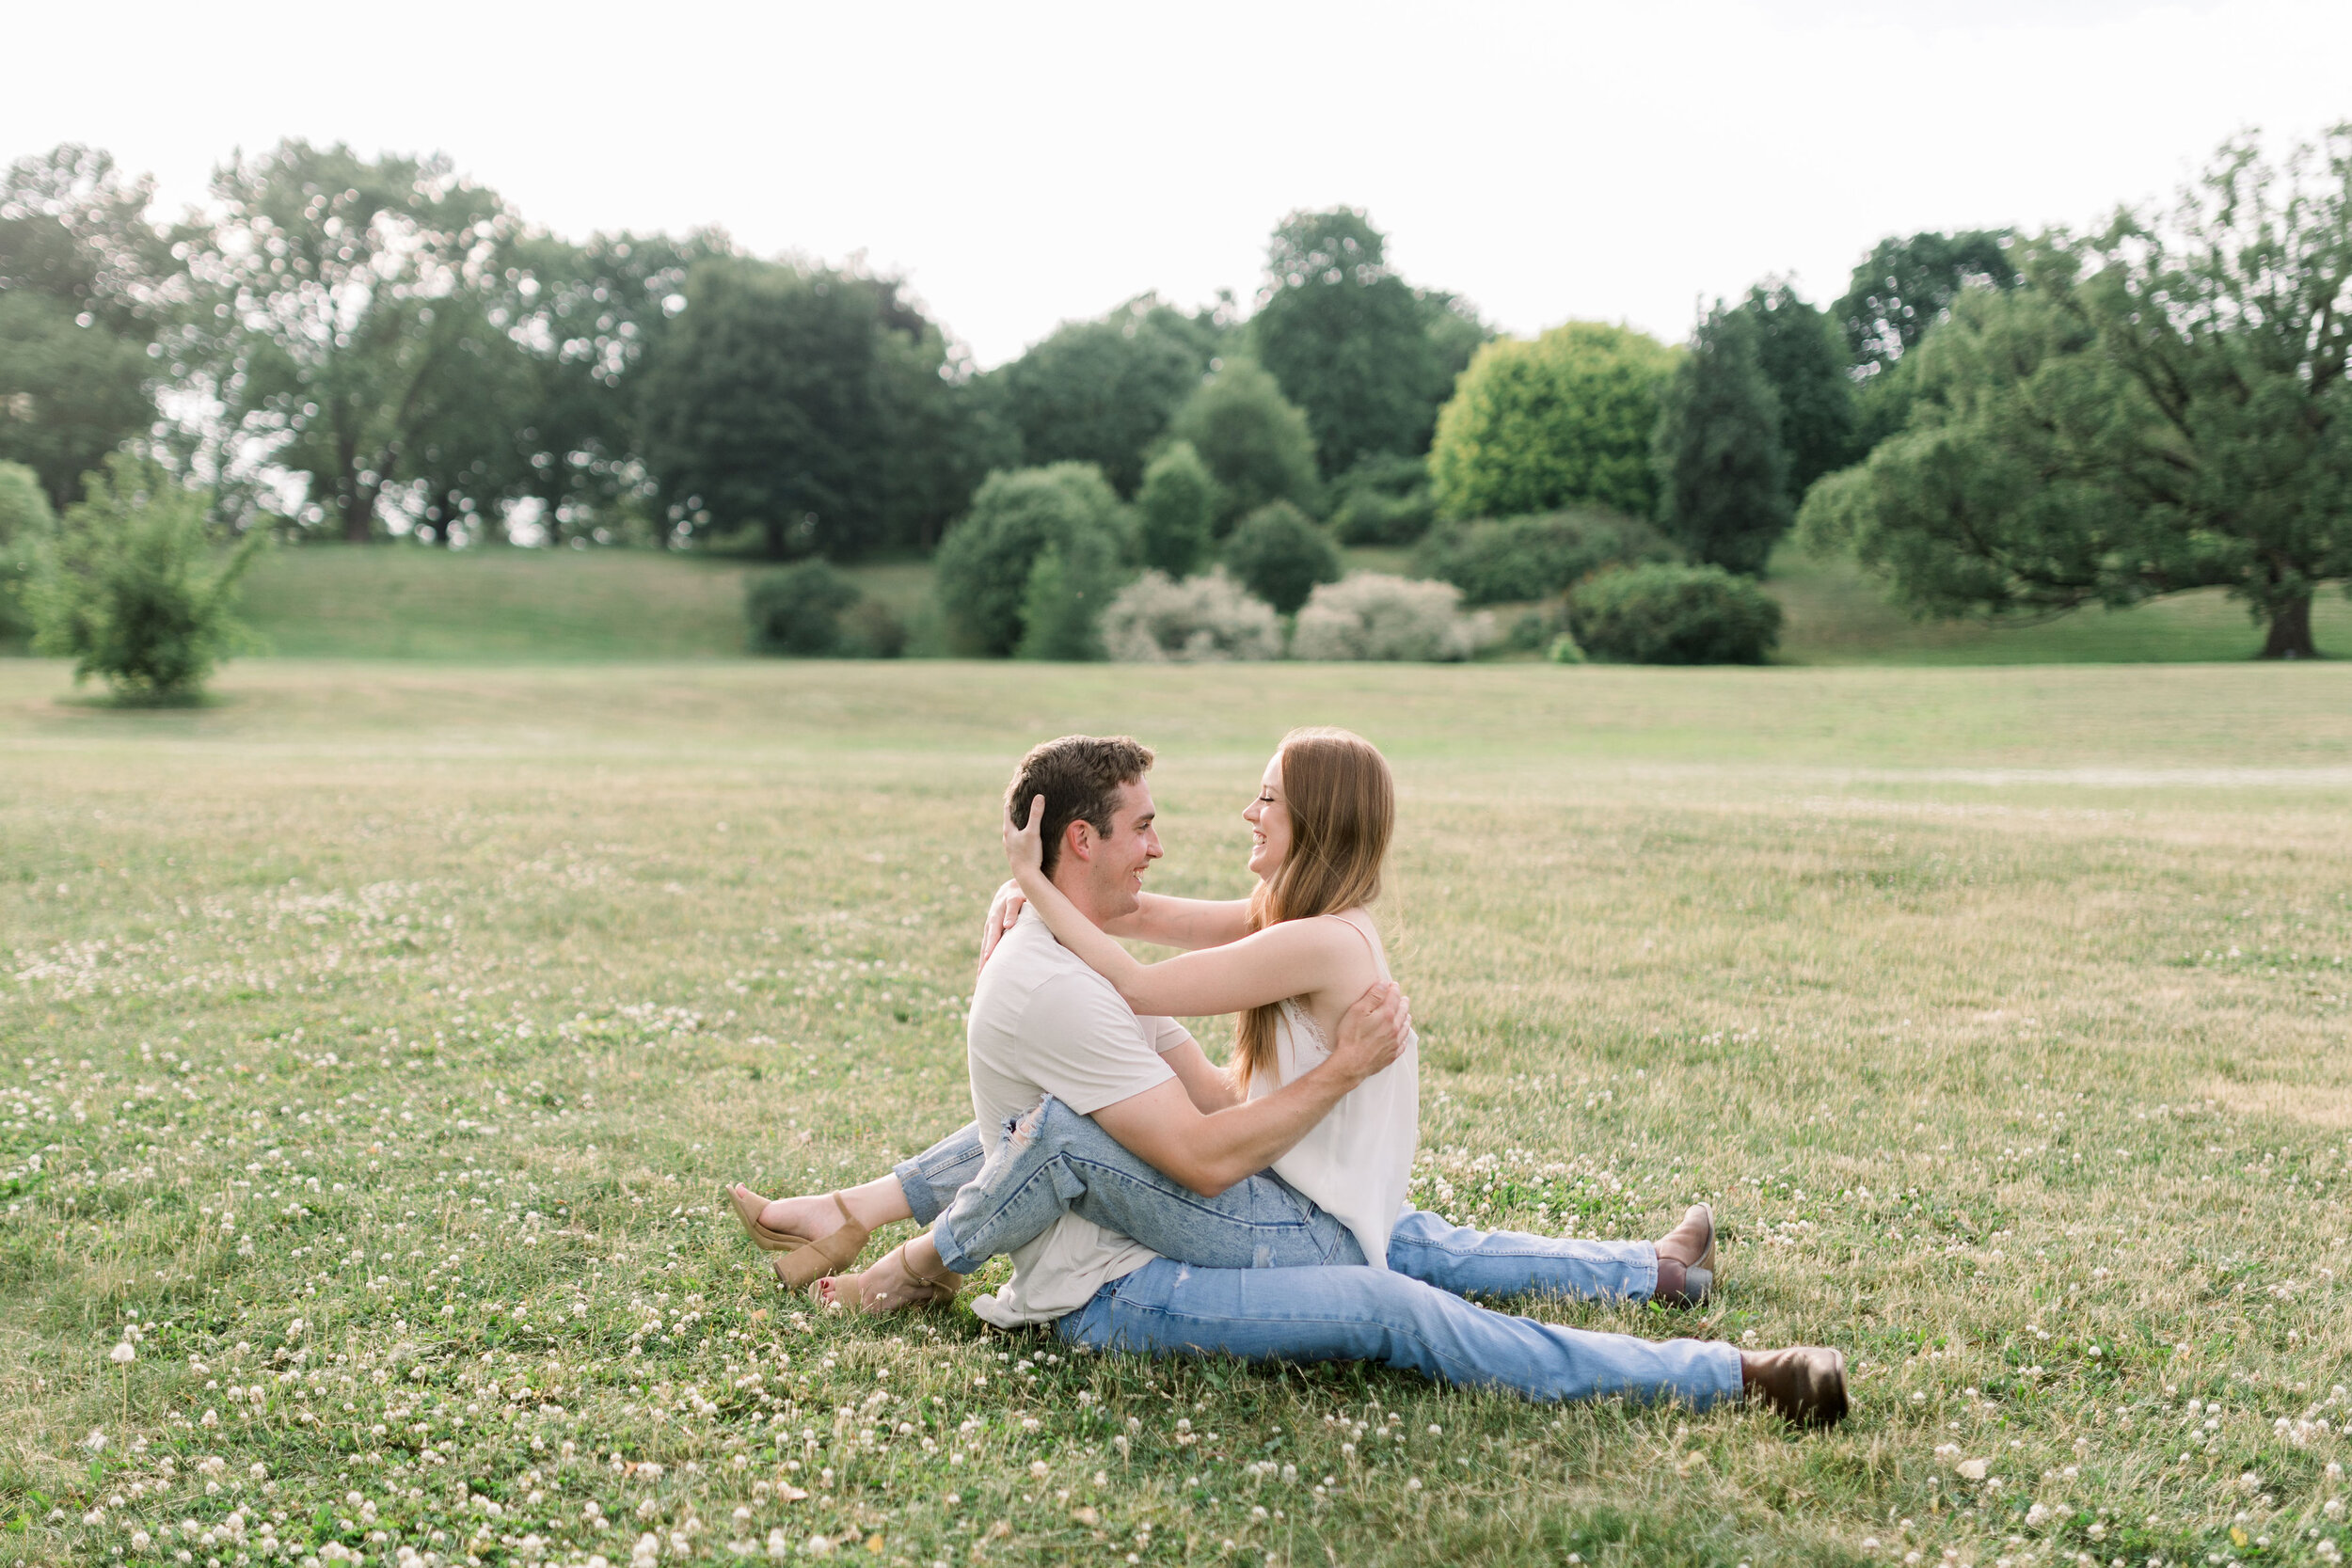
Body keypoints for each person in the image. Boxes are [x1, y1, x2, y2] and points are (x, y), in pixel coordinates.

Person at [731, 734, 1847, 1423]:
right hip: (1294, 1191)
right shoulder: (1295, 917)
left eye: (1265, 797)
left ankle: (1717, 1367)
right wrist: (1041, 896)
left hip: (1293, 1204)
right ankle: (1651, 1274)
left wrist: (1038, 882)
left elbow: (1137, 969)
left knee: (1393, 1263)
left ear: (1310, 816)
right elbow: (1148, 916)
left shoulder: (1314, 939)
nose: (1241, 816)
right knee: (1416, 1241)